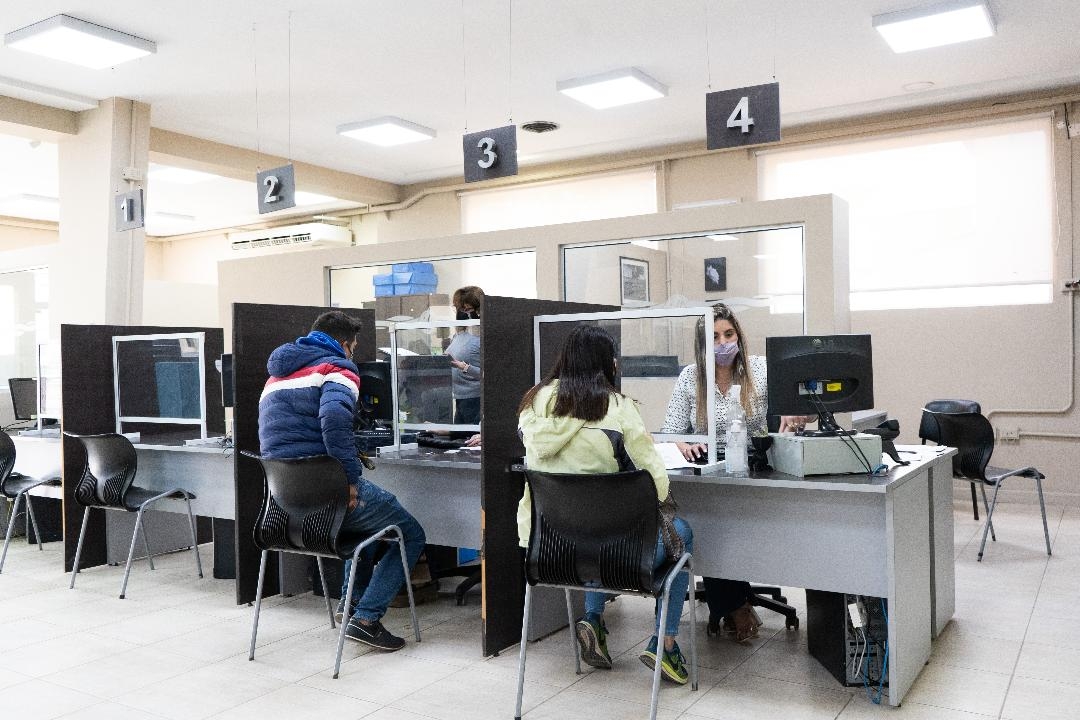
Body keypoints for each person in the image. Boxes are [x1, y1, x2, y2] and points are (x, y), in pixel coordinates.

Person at [517, 325, 694, 684]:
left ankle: (594, 620)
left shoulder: (535, 400)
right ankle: (665, 644)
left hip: (551, 553)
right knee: (682, 534)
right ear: (607, 363)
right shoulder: (617, 407)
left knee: (592, 530)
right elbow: (657, 484)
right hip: (617, 556)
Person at [258, 310, 426, 651]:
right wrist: (349, 480)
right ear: (344, 343)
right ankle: (366, 620)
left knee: (369, 528)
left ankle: (351, 604)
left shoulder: (277, 374)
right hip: (327, 492)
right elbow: (335, 420)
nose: (352, 354)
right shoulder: (337, 367)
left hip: (286, 499)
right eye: (353, 347)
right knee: (410, 534)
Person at [660, 303, 812, 642]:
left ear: (739, 336)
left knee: (729, 525)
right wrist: (682, 442)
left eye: (729, 334)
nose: (723, 343)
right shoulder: (690, 378)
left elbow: (804, 408)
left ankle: (732, 603)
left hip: (758, 471)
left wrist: (797, 413)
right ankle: (735, 604)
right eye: (714, 337)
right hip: (710, 474)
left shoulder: (760, 369)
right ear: (703, 344)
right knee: (715, 523)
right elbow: (670, 430)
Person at [446, 286, 483, 444]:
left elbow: (492, 375)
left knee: (469, 442)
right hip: (460, 398)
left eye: (468, 309)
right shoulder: (460, 335)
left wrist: (465, 367)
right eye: (461, 309)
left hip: (475, 398)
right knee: (459, 440)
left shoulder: (482, 337)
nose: (465, 313)